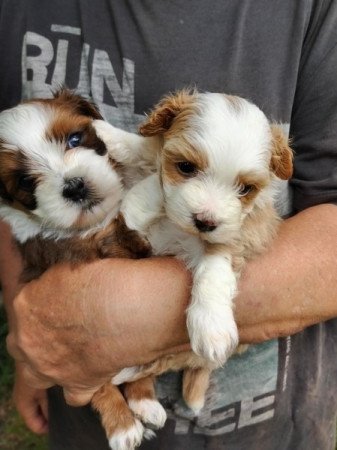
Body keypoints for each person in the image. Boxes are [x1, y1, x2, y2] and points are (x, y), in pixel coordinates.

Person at [1, 0, 337, 449]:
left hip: (273, 422)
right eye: (185, 169)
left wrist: (133, 310)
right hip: (82, 413)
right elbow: (13, 220)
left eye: (77, 138)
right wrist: (31, 340)